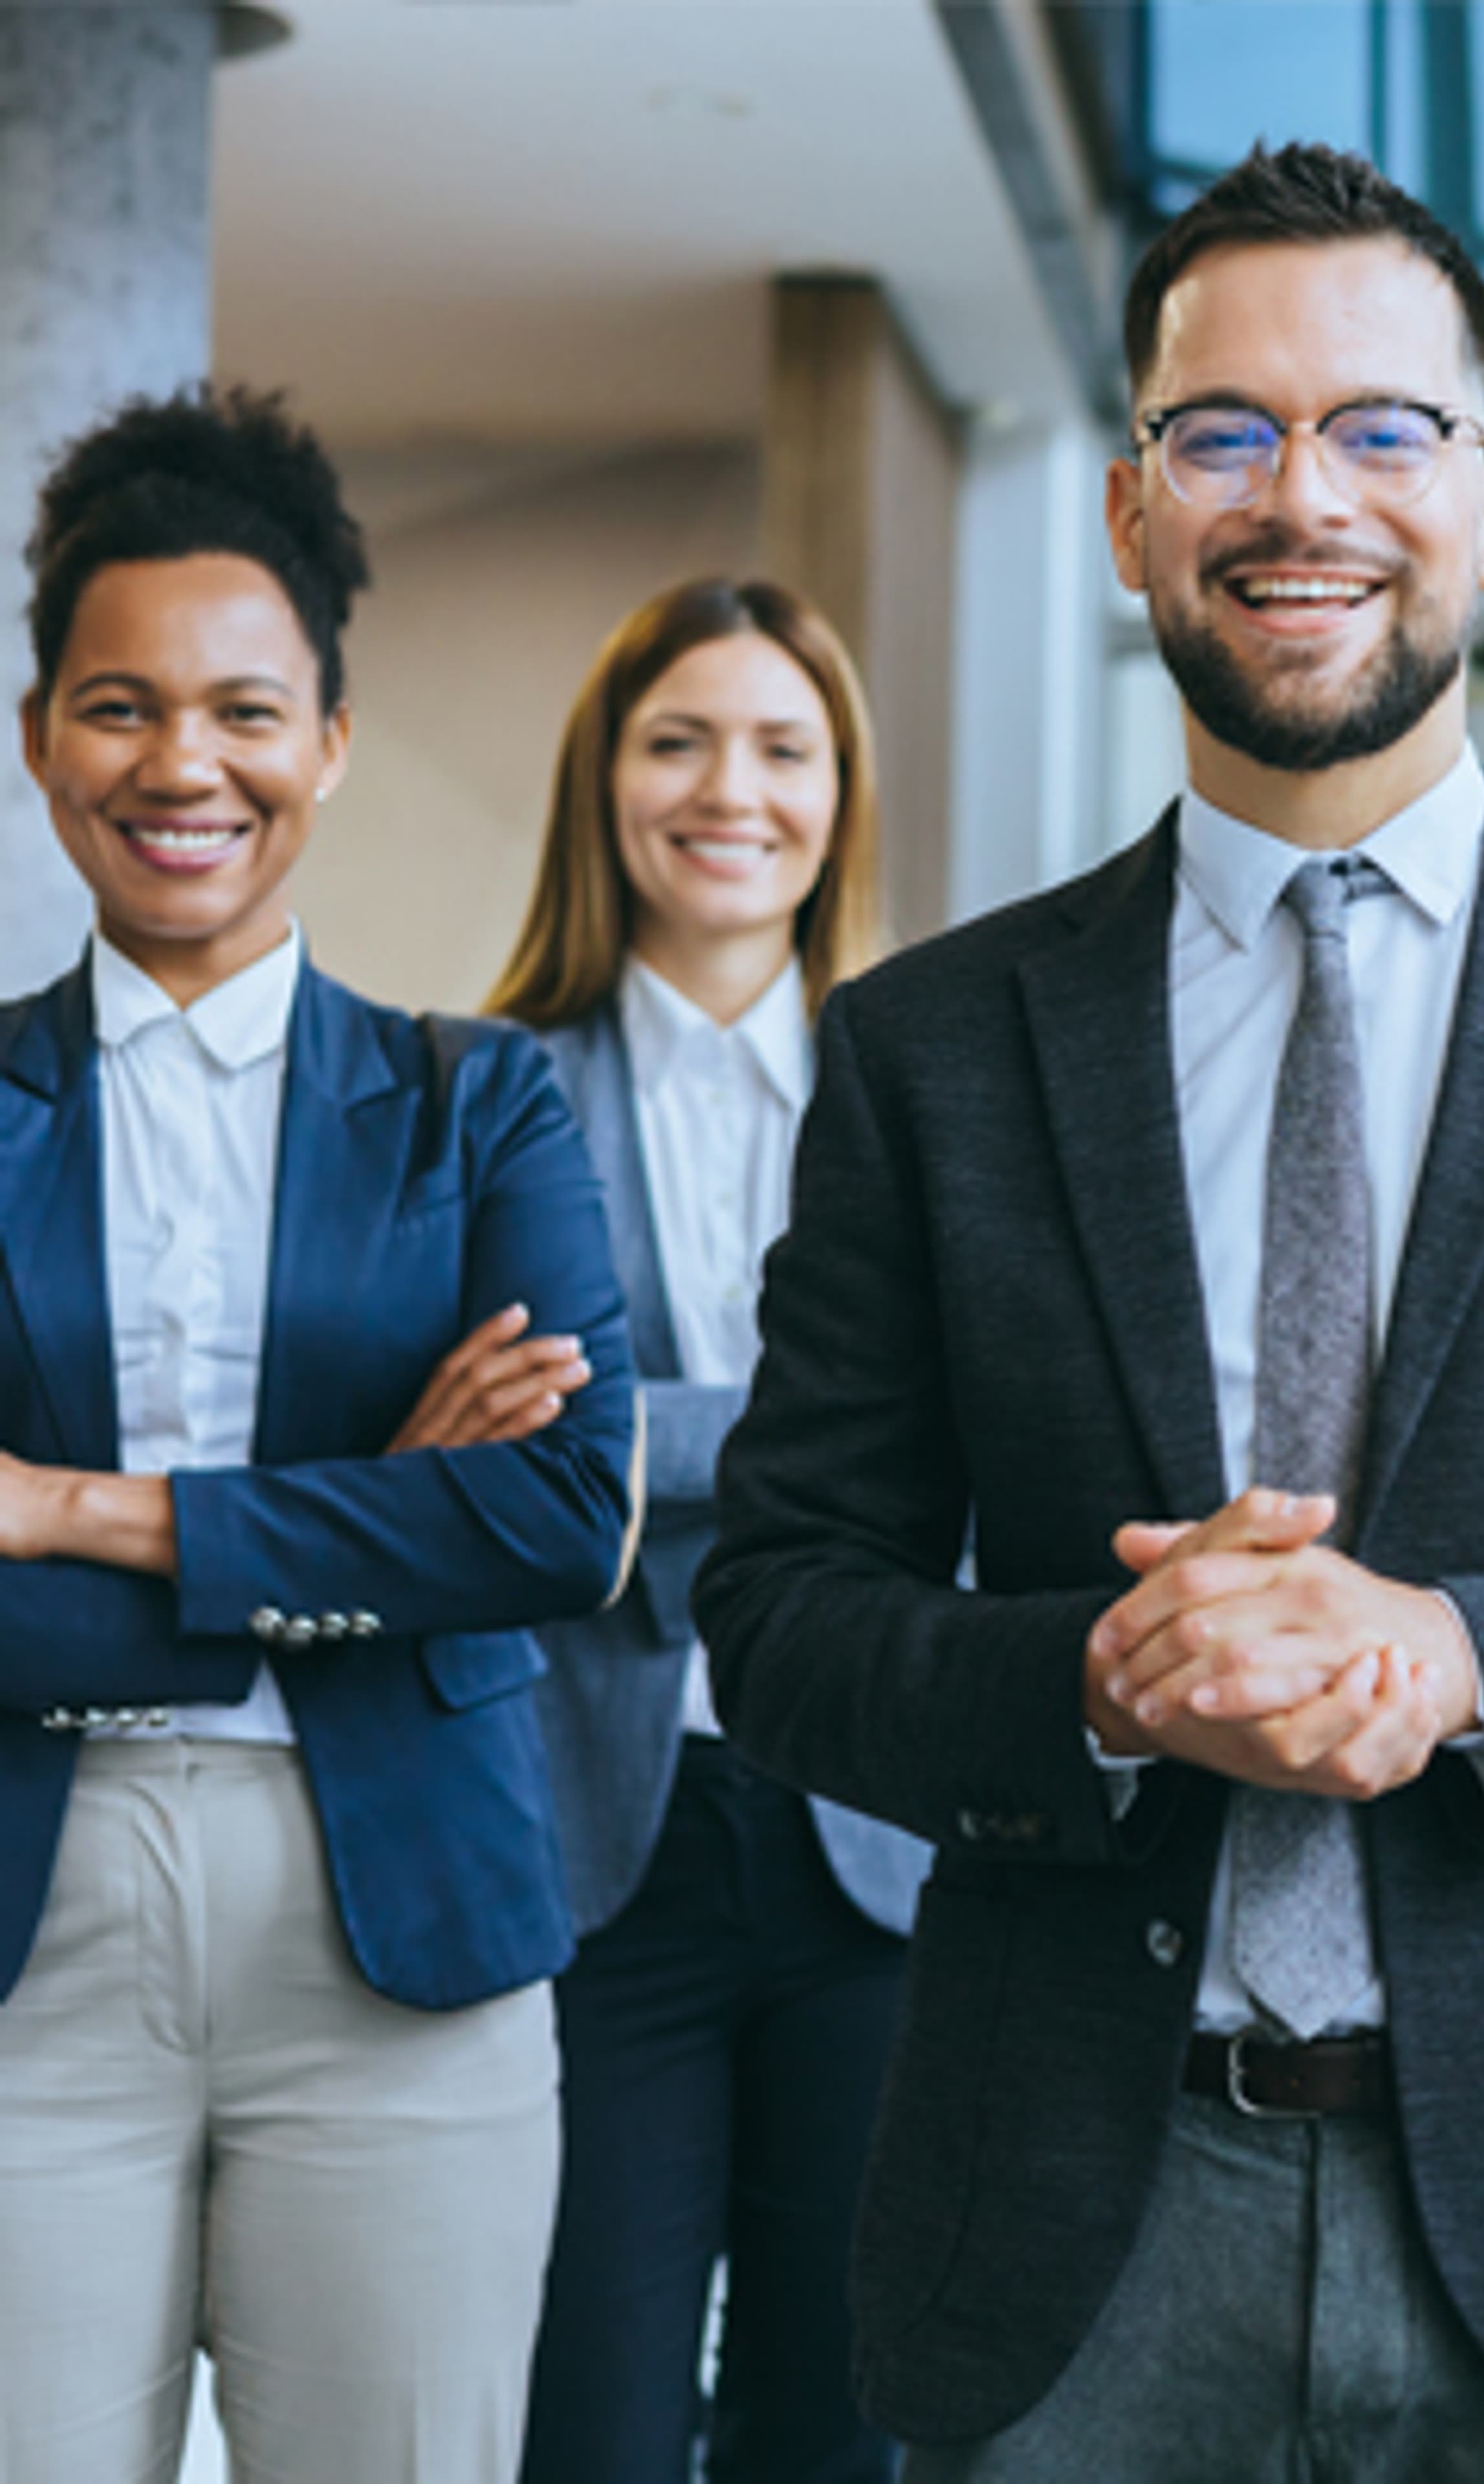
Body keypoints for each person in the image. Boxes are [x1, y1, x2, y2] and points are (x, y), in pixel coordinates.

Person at [697, 142, 1484, 2483]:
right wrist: (1089, 1682)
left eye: (1380, 429)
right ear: (1129, 512)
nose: (1304, 496)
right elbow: (785, 1609)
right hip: (1078, 2235)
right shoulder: (935, 1046)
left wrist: (1466, 1661)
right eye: (1227, 432)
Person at [0, 386, 640, 2483]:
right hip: (29, 1915)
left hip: (407, 1927)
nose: (185, 763)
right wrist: (379, 1512)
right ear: (37, 742)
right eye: (119, 705)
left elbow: (557, 1519)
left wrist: (78, 1514)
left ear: (331, 746)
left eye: (246, 711)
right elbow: (460, 1538)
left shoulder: (483, 1107)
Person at [486, 578, 930, 2484]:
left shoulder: (936, 1088)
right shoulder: (486, 1093)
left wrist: (632, 1442)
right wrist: (842, 1448)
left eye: (781, 746)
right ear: (605, 783)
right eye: (677, 740)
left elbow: (988, 1455)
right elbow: (500, 1479)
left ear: (841, 794)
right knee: (587, 2419)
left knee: (839, 2427)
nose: (725, 789)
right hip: (601, 1850)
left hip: (885, 1849)